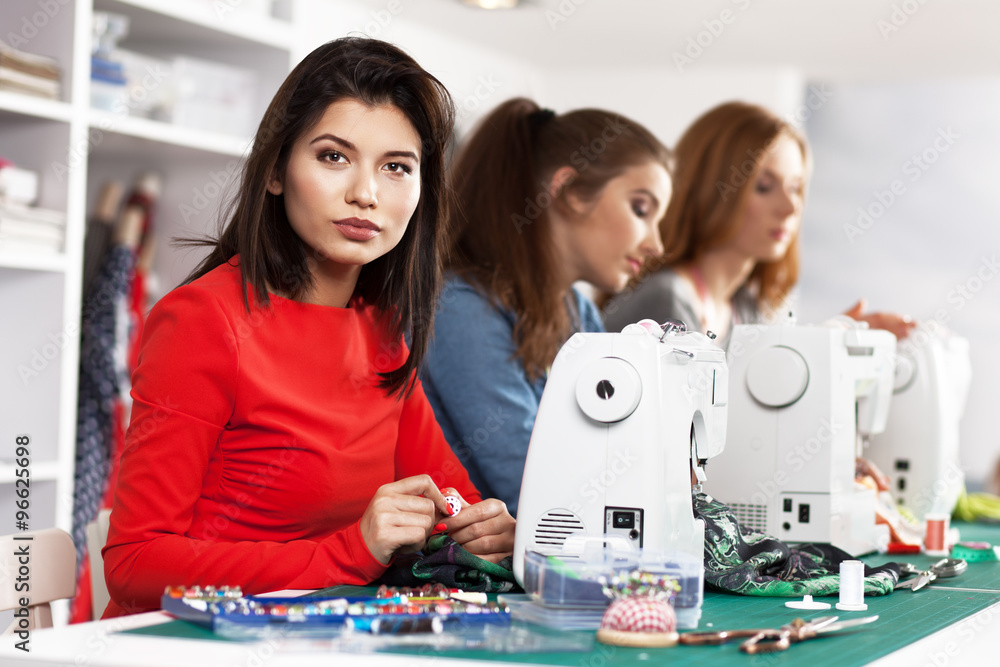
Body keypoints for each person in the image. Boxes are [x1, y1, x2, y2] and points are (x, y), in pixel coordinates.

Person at [102, 37, 515, 618]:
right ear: (275, 170)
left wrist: (487, 531)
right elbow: (135, 565)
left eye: (397, 167)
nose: (366, 194)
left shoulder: (380, 329)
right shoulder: (202, 320)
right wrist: (349, 553)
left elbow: (451, 501)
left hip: (324, 638)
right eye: (333, 157)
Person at [420, 98, 673, 516]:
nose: (656, 244)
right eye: (641, 209)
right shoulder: (461, 310)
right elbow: (538, 491)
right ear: (570, 192)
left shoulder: (575, 310)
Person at [603, 100, 916, 344]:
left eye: (796, 188)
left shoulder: (743, 307)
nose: (790, 206)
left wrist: (832, 341)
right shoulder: (666, 302)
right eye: (764, 187)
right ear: (714, 188)